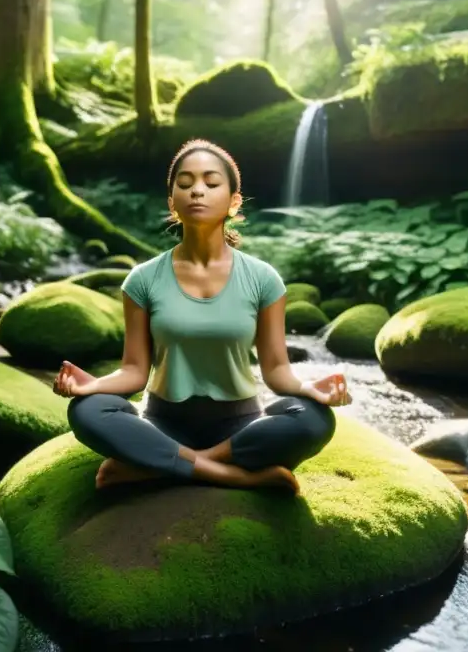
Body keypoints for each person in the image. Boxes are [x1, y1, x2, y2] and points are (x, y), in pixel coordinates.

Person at [52, 139, 351, 494]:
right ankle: (233, 475)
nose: (197, 191)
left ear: (233, 201)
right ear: (172, 203)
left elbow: (276, 370)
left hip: (239, 426)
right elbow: (134, 371)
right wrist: (93, 385)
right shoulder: (143, 279)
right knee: (87, 411)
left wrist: (308, 388)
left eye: (211, 183)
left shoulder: (263, 279)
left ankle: (163, 465)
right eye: (185, 183)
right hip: (164, 422)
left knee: (314, 419)